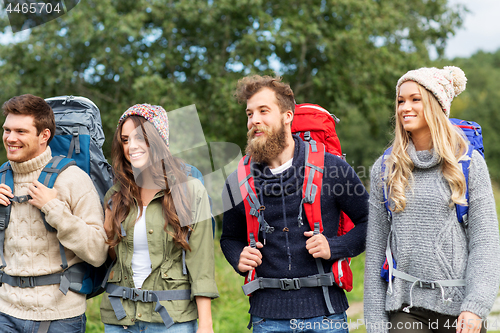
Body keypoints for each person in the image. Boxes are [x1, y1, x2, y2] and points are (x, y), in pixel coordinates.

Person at [220, 75, 369, 332]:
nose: (254, 120)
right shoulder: (238, 180)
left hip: (326, 315)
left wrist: (335, 246)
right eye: (249, 113)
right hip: (266, 318)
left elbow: (372, 222)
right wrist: (238, 257)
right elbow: (229, 237)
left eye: (263, 111)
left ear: (287, 116)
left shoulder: (332, 168)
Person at [364, 66, 500, 333]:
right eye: (401, 101)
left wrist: (475, 306)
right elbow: (376, 249)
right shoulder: (385, 168)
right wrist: (375, 323)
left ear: (437, 105)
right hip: (406, 309)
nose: (405, 107)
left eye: (415, 99)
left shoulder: (469, 163)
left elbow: (485, 243)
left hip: (461, 311)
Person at [100, 104, 218, 333]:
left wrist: (206, 324)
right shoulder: (115, 195)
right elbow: (115, 259)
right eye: (125, 140)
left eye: (139, 138)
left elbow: (201, 261)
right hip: (120, 319)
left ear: (158, 139)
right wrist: (108, 231)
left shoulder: (191, 191)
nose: (131, 146)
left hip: (171, 321)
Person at [0, 94, 107, 332]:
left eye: (20, 131)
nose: (10, 138)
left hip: (60, 317)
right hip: (4, 314)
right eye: (7, 130)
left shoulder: (73, 179)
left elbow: (99, 251)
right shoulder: (1, 179)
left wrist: (53, 209)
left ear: (44, 135)